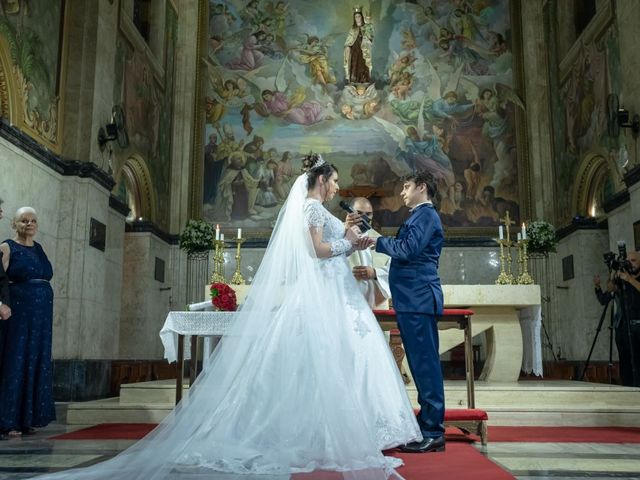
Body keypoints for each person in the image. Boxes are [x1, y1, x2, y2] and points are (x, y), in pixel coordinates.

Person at [29, 155, 420, 480]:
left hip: (333, 295)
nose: (337, 187)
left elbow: (326, 246)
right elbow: (318, 251)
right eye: (334, 180)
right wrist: (348, 242)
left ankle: (327, 429)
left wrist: (349, 236)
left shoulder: (314, 208)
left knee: (323, 364)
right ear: (320, 180)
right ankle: (324, 432)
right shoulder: (313, 207)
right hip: (324, 293)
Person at [369, 171, 446, 453]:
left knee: (425, 367)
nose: (402, 192)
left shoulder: (425, 215)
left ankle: (434, 431)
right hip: (412, 300)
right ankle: (427, 424)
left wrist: (375, 241)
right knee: (419, 365)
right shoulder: (419, 216)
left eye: (406, 187)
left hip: (419, 300)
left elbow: (407, 249)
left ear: (421, 188)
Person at [0, 207, 55, 438]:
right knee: (17, 360)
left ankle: (29, 417)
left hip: (41, 315)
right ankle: (9, 420)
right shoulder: (6, 247)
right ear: (14, 224)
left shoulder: (39, 248)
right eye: (24, 220)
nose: (29, 224)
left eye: (33, 220)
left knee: (37, 360)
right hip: (18, 313)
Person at [345, 197, 390, 309]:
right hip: (345, 301)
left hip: (374, 303)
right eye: (359, 213)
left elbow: (394, 268)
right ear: (348, 212)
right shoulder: (337, 234)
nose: (364, 218)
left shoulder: (379, 240)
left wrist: (375, 273)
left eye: (368, 214)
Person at [617, 251, 640, 387]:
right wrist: (614, 271)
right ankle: (628, 388)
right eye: (628, 261)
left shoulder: (630, 279)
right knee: (626, 361)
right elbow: (610, 289)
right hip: (626, 326)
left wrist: (630, 279)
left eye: (633, 260)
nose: (630, 263)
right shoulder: (624, 279)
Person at [344, 8, 374, 84]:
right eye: (356, 17)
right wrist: (347, 47)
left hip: (364, 49)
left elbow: (371, 37)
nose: (357, 18)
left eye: (359, 16)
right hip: (354, 50)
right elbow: (348, 40)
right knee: (354, 64)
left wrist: (368, 29)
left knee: (363, 64)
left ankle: (364, 80)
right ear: (354, 18)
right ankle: (354, 80)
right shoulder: (353, 29)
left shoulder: (366, 27)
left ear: (362, 17)